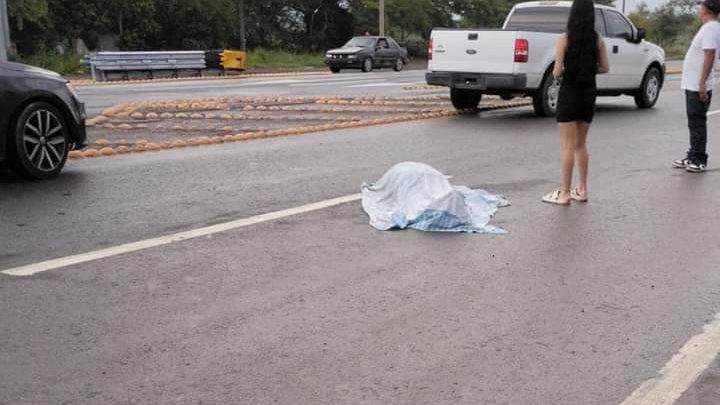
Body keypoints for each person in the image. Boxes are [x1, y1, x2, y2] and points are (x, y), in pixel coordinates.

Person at [543, 0, 609, 205]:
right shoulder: (598, 39)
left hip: (570, 93)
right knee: (581, 144)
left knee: (567, 146)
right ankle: (582, 189)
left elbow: (556, 71)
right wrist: (588, 69)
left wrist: (566, 70)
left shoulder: (565, 38)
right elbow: (605, 67)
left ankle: (564, 193)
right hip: (588, 94)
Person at [672, 0, 720, 173]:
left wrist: (701, 83)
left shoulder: (710, 29)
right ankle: (692, 154)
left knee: (697, 121)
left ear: (706, 9)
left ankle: (699, 159)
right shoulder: (710, 27)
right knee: (694, 121)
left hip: (698, 84)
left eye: (701, 7)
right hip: (693, 83)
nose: (699, 11)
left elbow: (709, 54)